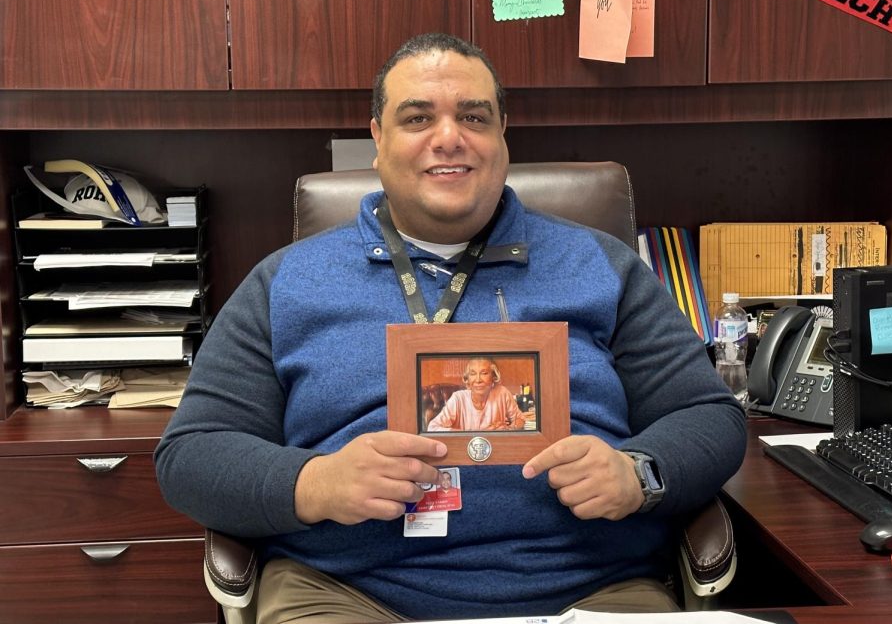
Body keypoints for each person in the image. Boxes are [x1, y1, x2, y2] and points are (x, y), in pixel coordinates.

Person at [155, 32, 746, 623]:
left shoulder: (602, 267)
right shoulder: (285, 282)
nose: (449, 137)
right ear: (378, 139)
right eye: (417, 118)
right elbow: (192, 455)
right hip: (349, 593)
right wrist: (316, 482)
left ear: (501, 135)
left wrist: (639, 472)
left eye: (473, 116)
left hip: (592, 589)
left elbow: (711, 417)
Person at [427, 356, 525, 431]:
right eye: (473, 374)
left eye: (484, 373)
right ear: (468, 379)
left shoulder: (502, 393)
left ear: (493, 377)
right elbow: (432, 427)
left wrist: (509, 429)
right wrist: (470, 435)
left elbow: (520, 419)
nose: (478, 380)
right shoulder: (458, 398)